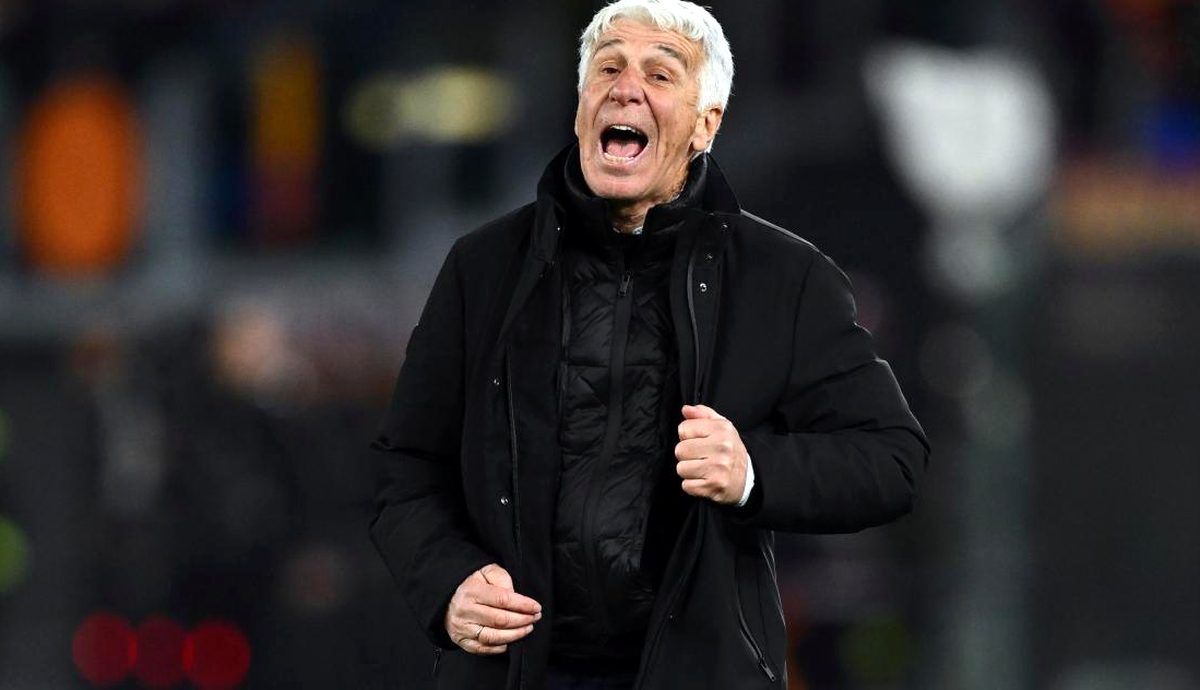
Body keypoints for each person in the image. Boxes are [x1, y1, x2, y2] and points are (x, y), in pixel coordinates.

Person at [369, 1, 929, 688]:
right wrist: (447, 583)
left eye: (660, 74)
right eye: (607, 69)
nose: (625, 88)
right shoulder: (483, 268)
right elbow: (404, 467)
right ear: (582, 106)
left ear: (705, 124)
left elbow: (891, 460)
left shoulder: (783, 277)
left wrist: (753, 472)